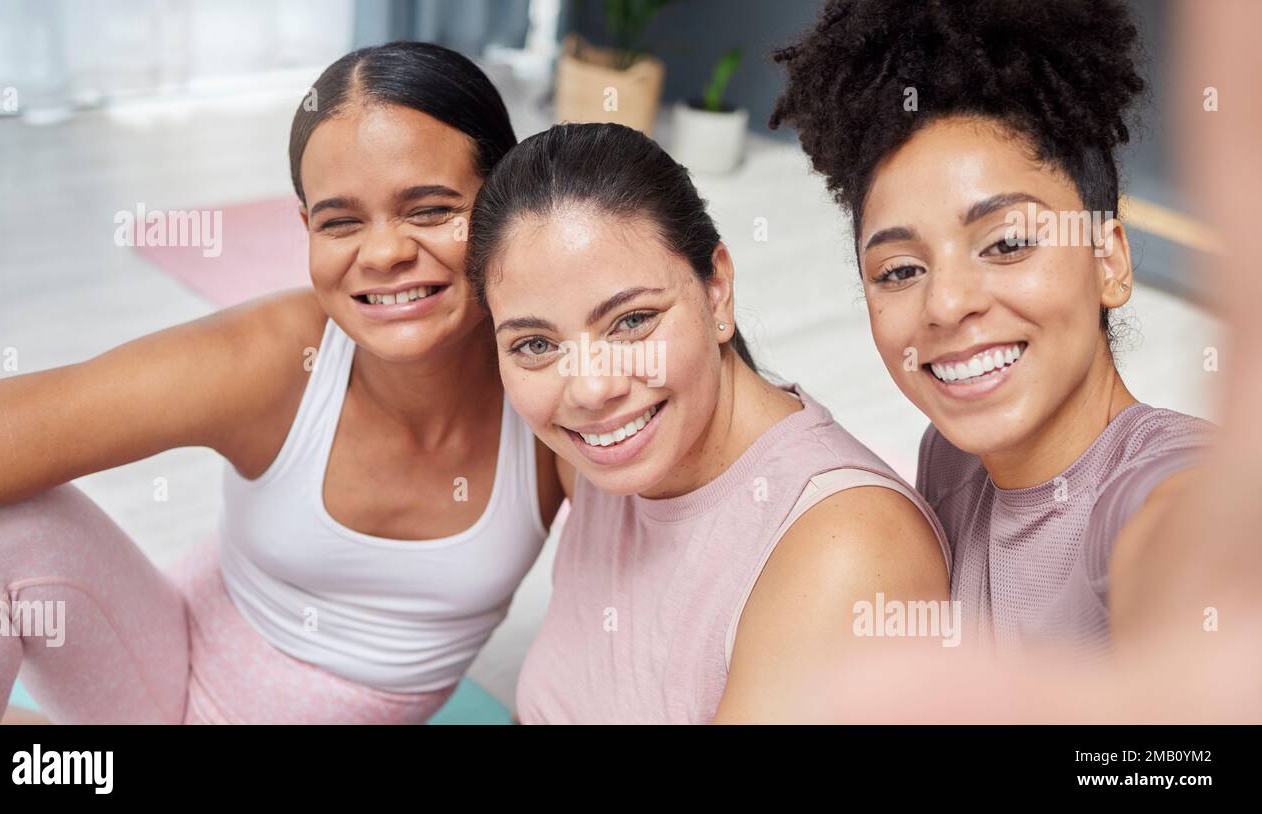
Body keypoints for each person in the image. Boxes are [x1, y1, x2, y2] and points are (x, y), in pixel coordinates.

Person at [0, 41, 562, 725]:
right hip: (160, 673)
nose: (386, 252)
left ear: (505, 205)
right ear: (307, 229)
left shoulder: (557, 385)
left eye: (429, 210)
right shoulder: (275, 358)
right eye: (341, 222)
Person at [466, 122, 951, 723]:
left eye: (631, 320)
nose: (591, 389)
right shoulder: (594, 457)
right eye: (535, 344)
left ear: (716, 289)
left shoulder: (849, 550)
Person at [770, 0, 1214, 657]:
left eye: (1005, 244)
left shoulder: (1171, 493)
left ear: (1109, 262)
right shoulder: (949, 459)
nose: (946, 305)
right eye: (899, 270)